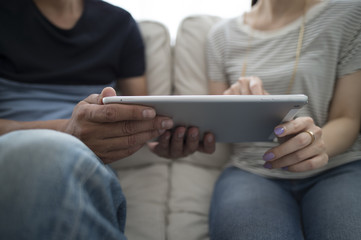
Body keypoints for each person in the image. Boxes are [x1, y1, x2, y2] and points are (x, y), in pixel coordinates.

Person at [0, 0, 215, 239]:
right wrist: (67, 131)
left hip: (85, 162)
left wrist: (153, 139)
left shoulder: (119, 24)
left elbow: (139, 112)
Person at [206, 0, 361, 239]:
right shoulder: (221, 35)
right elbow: (218, 125)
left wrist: (311, 144)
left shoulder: (349, 13)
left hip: (337, 168)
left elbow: (348, 117)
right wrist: (234, 104)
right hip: (252, 171)